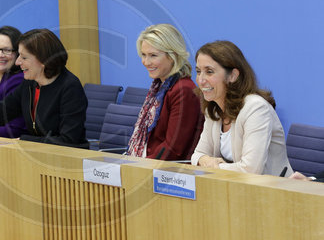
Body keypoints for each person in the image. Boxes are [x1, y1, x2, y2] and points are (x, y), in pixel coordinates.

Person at [191, 40, 293, 176]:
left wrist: (214, 166)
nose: (201, 80)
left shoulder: (256, 108)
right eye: (198, 72)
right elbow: (197, 155)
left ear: (232, 75)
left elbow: (251, 169)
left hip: (274, 191)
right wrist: (205, 160)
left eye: (209, 72)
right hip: (236, 188)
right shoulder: (214, 109)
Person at [126, 24, 202, 160]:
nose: (146, 62)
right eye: (143, 55)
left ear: (172, 56)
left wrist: (138, 169)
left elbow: (173, 149)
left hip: (167, 173)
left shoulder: (183, 90)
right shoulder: (159, 86)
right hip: (148, 164)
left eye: (153, 55)